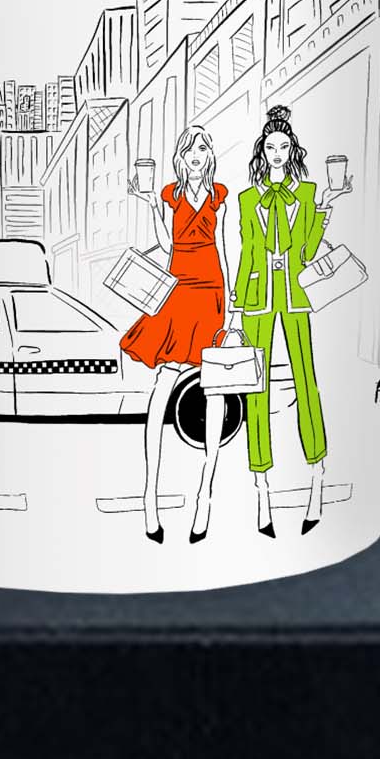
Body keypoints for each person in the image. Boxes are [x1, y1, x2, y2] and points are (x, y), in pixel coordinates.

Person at [234, 104, 351, 536]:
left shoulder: (306, 194)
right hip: (257, 299)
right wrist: (237, 302)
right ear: (262, 151)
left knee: (306, 380)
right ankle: (261, 488)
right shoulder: (248, 199)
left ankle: (317, 475)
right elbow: (248, 251)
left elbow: (308, 250)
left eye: (284, 146)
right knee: (256, 389)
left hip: (296, 295)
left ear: (292, 150)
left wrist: (326, 207)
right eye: (271, 147)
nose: (278, 153)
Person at [122, 125, 233, 546]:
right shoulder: (170, 195)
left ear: (210, 155)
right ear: (180, 158)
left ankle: (205, 496)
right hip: (179, 289)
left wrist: (231, 307)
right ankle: (149, 497)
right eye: (190, 150)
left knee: (215, 387)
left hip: (211, 292)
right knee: (163, 384)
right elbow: (165, 243)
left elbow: (224, 249)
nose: (197, 155)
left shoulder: (219, 196)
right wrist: (151, 203)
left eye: (203, 148)